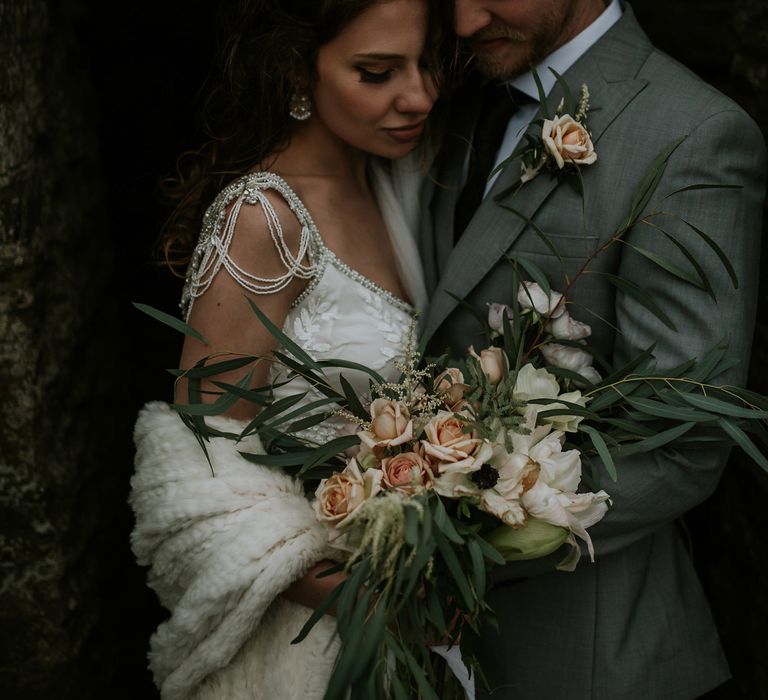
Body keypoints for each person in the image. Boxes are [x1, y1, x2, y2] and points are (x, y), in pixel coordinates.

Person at [419, 0, 766, 698]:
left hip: (585, 661)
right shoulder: (441, 98)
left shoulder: (694, 133)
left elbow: (683, 441)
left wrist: (431, 538)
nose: (461, 21)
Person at [129, 1, 450, 698]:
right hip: (310, 638)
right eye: (376, 72)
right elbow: (199, 470)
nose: (419, 95)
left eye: (427, 62)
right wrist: (362, 594)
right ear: (294, 71)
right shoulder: (264, 218)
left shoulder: (398, 183)